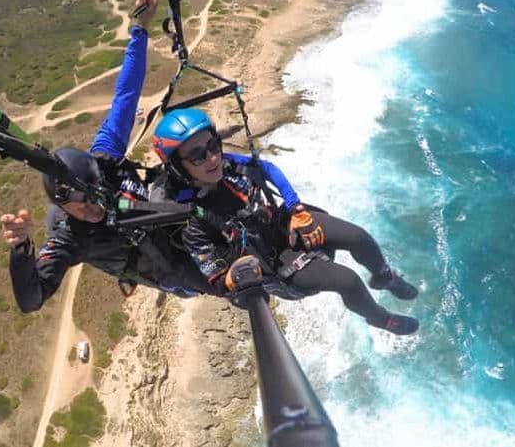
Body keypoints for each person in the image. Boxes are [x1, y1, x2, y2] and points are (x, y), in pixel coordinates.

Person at [0, 0, 211, 313]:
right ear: (64, 210)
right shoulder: (69, 237)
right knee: (207, 280)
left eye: (92, 198)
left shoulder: (106, 154)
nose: (91, 211)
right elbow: (31, 300)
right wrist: (20, 249)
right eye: (80, 209)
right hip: (157, 263)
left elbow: (127, 92)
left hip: (162, 215)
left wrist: (140, 26)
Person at [150, 108, 421, 335]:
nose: (212, 158)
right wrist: (234, 277)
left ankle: (385, 278)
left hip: (281, 223)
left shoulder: (228, 165)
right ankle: (379, 318)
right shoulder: (189, 217)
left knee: (359, 238)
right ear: (177, 166)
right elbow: (216, 278)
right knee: (348, 281)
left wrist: (296, 207)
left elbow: (267, 169)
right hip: (275, 262)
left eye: (213, 146)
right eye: (198, 155)